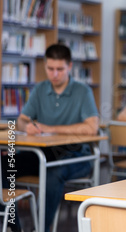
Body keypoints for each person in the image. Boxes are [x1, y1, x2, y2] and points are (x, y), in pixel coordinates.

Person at [12, 44, 99, 232]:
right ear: (45, 66)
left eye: (60, 69)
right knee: (5, 165)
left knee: (53, 172)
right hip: (43, 152)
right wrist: (26, 126)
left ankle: (40, 228)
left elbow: (92, 128)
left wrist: (49, 128)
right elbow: (22, 120)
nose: (55, 74)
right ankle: (12, 225)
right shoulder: (40, 89)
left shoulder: (83, 91)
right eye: (50, 69)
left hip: (77, 155)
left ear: (69, 66)